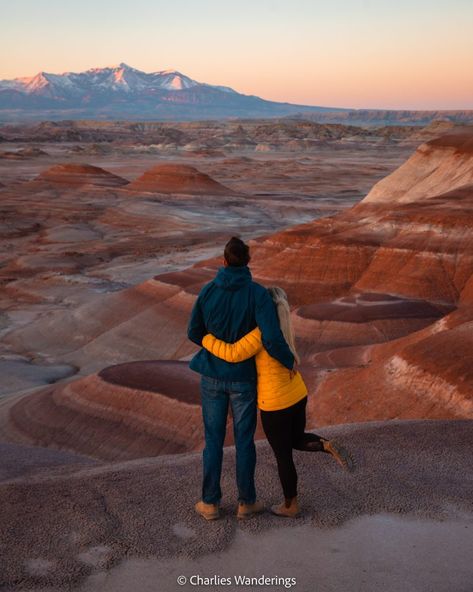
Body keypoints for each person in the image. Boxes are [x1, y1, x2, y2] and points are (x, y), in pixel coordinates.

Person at [202, 286, 354, 518]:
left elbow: (232, 353)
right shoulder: (285, 329)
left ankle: (290, 505)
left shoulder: (262, 333)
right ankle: (324, 444)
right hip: (297, 394)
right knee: (296, 439)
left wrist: (205, 338)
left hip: (275, 404)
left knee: (283, 456)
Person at [187, 237, 295, 521]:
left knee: (213, 441)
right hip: (244, 380)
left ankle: (210, 503)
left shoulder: (208, 291)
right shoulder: (257, 294)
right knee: (244, 441)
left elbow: (193, 332)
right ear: (247, 262)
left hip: (211, 376)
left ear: (223, 261)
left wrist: (212, 343)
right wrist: (288, 361)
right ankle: (247, 502)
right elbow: (271, 337)